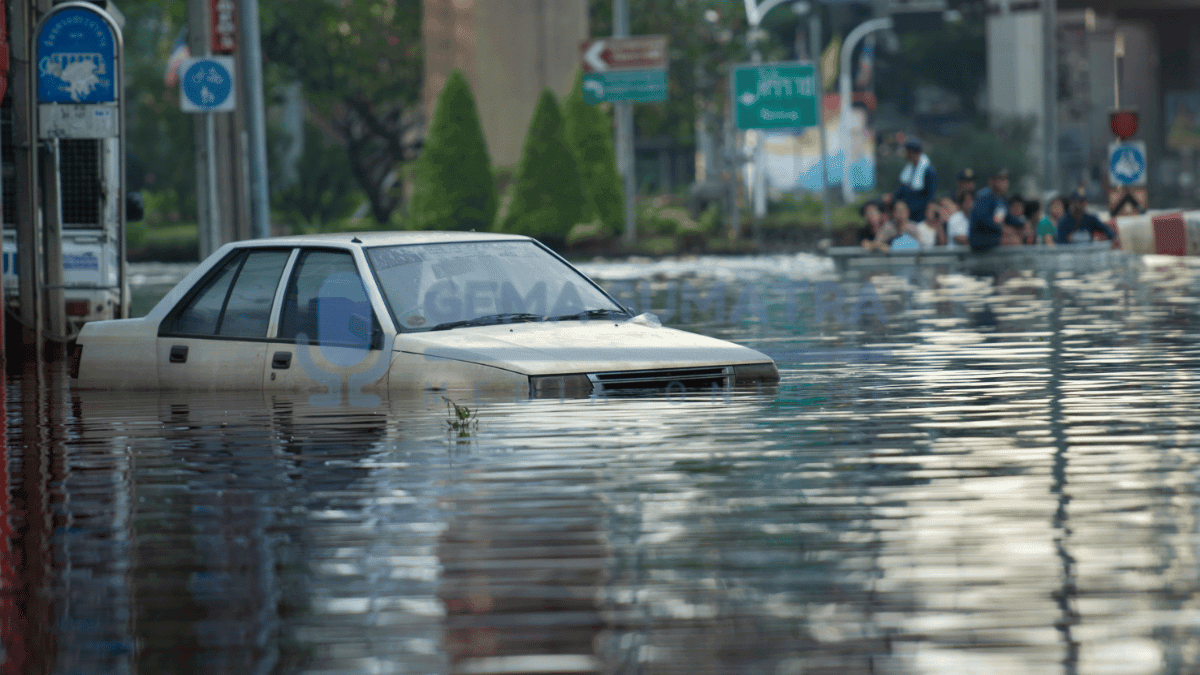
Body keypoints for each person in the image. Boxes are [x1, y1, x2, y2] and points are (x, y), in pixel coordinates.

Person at [969, 168, 1024, 251]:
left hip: (994, 235)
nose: (1005, 183)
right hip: (981, 238)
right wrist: (1002, 229)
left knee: (1017, 237)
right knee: (1012, 241)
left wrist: (1022, 225)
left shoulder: (1002, 199)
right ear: (993, 181)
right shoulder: (984, 196)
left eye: (1005, 180)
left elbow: (1008, 218)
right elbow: (983, 219)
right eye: (1001, 180)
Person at [892, 137, 937, 222]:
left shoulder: (928, 171)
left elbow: (930, 197)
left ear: (912, 153)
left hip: (920, 216)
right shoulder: (910, 168)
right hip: (906, 214)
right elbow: (902, 190)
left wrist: (909, 207)